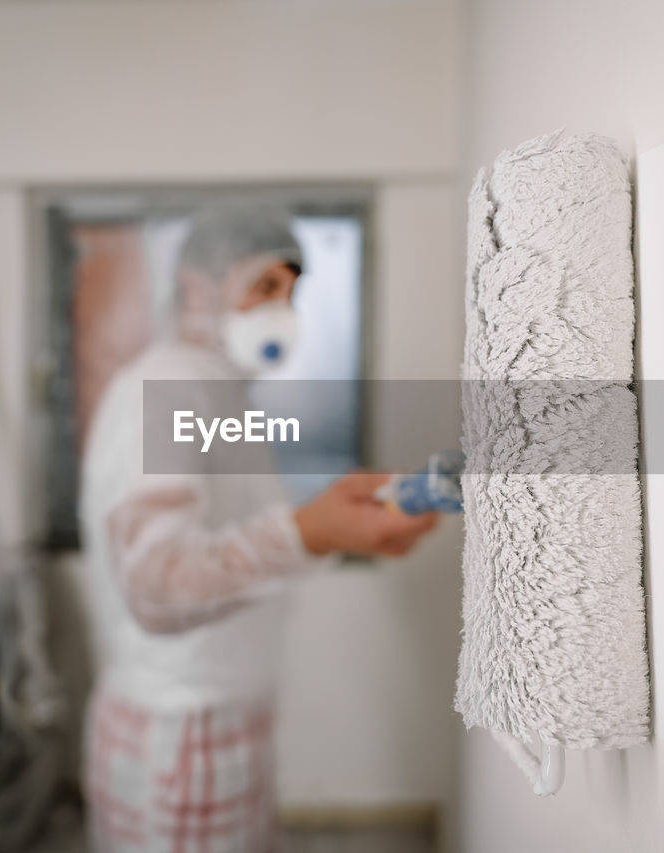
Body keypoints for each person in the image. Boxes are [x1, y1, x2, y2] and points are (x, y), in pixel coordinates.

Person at [77, 208, 438, 852]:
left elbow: (236, 527)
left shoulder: (215, 392)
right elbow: (158, 585)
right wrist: (313, 533)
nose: (282, 309)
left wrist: (341, 518)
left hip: (217, 707)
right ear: (197, 285)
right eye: (264, 286)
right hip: (180, 723)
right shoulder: (169, 390)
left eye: (291, 292)